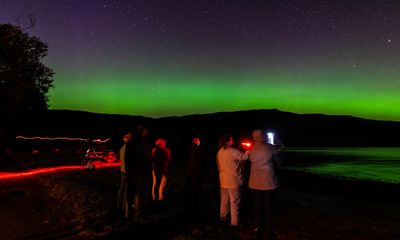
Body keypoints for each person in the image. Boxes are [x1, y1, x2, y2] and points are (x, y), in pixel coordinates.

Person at [248, 129, 284, 240]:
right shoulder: (269, 147)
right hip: (268, 181)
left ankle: (257, 228)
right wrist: (279, 143)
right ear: (262, 136)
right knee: (269, 206)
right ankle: (270, 229)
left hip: (254, 181)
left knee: (257, 206)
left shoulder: (251, 150)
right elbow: (280, 155)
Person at [216, 134, 249, 227]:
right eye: (231, 140)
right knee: (234, 201)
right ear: (227, 141)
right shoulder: (233, 151)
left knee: (224, 199)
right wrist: (247, 151)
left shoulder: (219, 152)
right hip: (233, 180)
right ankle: (235, 222)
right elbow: (244, 157)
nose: (232, 141)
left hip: (223, 179)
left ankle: (222, 217)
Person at [124, 125, 152, 220]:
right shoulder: (143, 143)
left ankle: (127, 213)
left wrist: (127, 171)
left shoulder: (130, 142)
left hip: (130, 172)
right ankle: (136, 213)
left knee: (129, 193)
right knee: (137, 194)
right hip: (139, 173)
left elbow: (126, 158)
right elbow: (147, 159)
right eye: (146, 131)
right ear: (143, 132)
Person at [184, 137, 209, 216]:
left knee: (189, 188)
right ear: (197, 142)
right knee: (196, 188)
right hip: (197, 172)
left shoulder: (187, 149)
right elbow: (205, 160)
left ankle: (188, 203)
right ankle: (195, 204)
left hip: (188, 172)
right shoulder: (200, 149)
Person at [117, 131, 133, 218]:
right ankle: (125, 209)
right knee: (127, 191)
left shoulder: (122, 148)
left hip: (122, 171)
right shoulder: (129, 149)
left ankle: (119, 205)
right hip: (127, 172)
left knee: (121, 188)